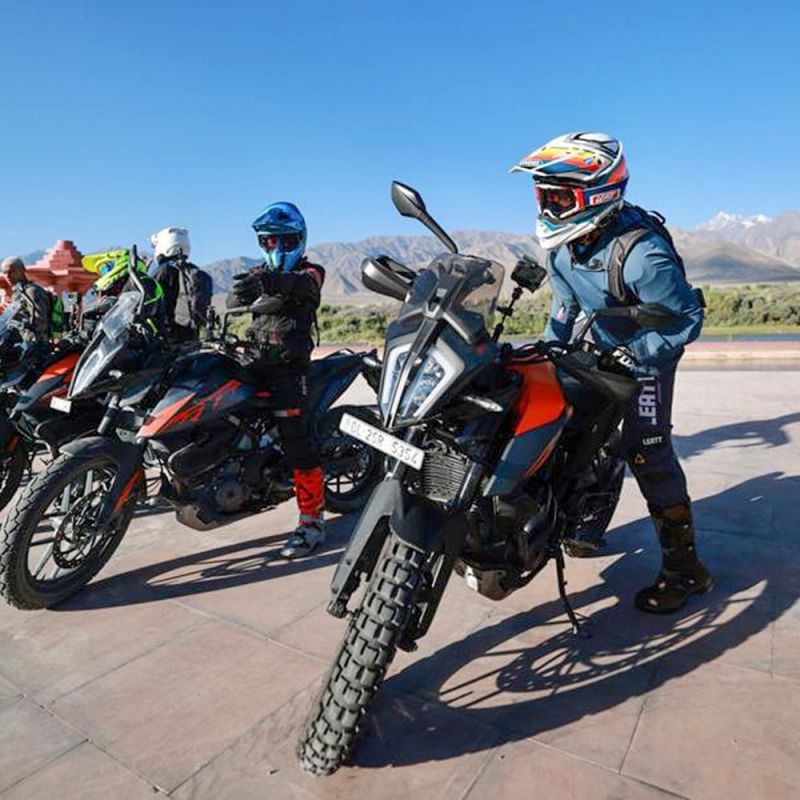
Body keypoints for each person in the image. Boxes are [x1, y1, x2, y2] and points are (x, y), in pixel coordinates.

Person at [512, 131, 710, 613]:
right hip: (602, 344)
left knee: (646, 446)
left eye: (560, 196)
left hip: (649, 354)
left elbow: (685, 318)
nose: (549, 205)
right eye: (545, 195)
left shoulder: (643, 254)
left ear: (597, 194)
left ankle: (686, 570)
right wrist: (549, 358)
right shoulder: (561, 248)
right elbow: (563, 310)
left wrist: (638, 357)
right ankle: (580, 521)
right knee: (568, 424)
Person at [228, 202, 326, 558]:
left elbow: (301, 287)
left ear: (297, 240)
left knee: (297, 440)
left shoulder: (311, 271)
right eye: (268, 242)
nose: (275, 249)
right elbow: (234, 298)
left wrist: (264, 281)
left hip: (289, 367)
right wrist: (240, 291)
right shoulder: (258, 272)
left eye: (282, 241)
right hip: (254, 359)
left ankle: (312, 521)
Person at [149, 227, 212, 343]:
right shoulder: (193, 270)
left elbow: (148, 300)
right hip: (191, 336)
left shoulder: (163, 271)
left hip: (167, 338)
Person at [1, 256, 53, 346]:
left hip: (33, 345)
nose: (7, 276)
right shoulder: (18, 292)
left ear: (22, 270)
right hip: (20, 343)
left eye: (11, 272)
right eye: (5, 273)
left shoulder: (32, 291)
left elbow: (40, 322)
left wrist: (35, 345)